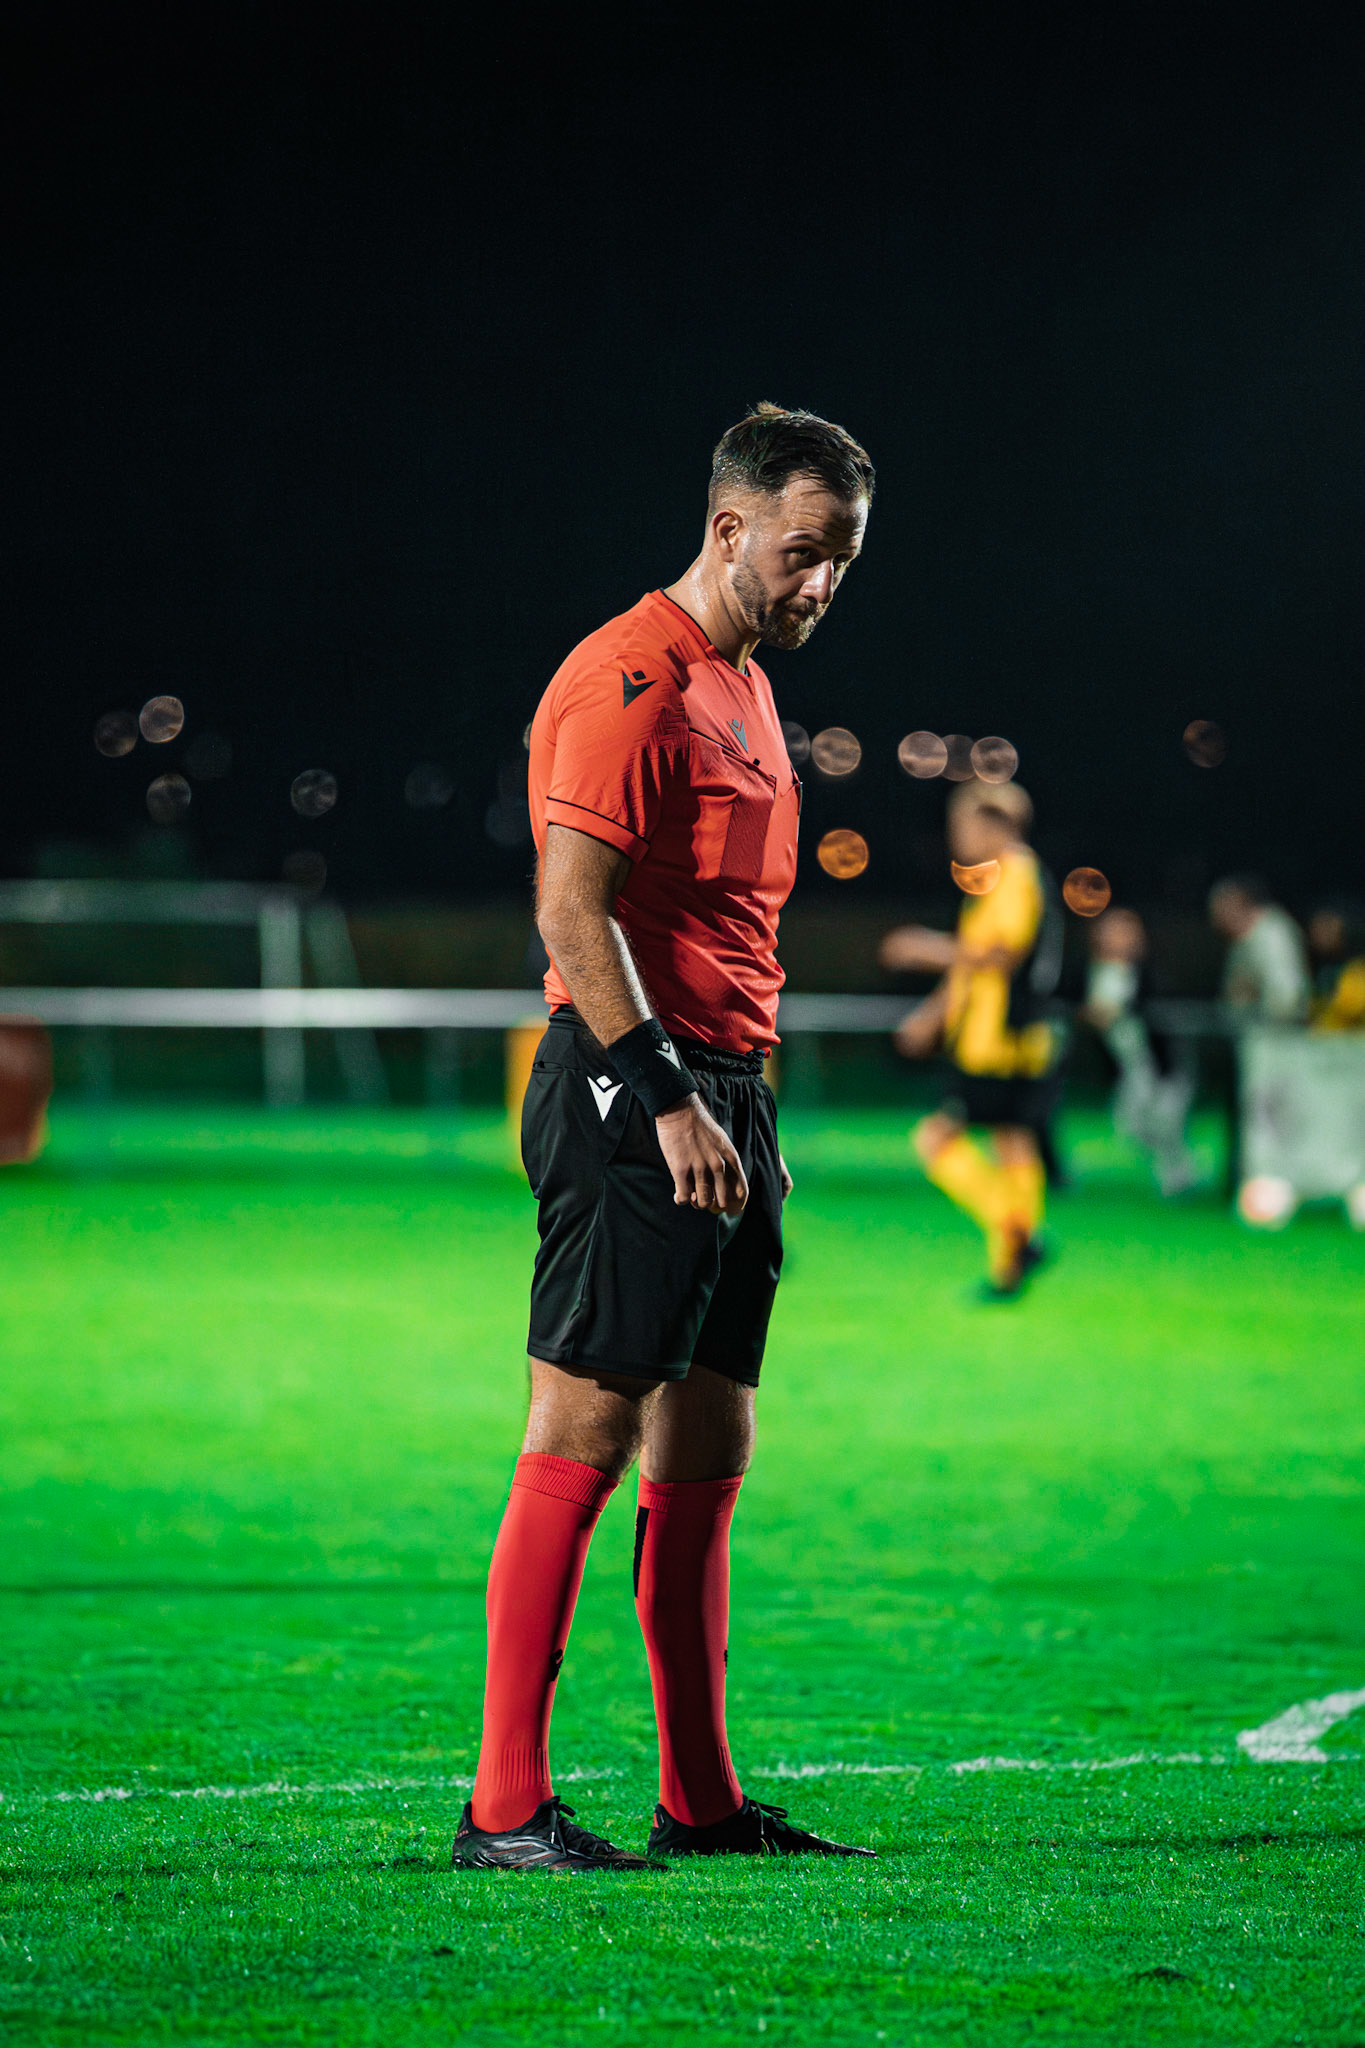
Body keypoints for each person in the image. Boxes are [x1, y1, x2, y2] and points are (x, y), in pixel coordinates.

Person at [452, 404, 877, 1873]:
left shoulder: (749, 689)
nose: (820, 581)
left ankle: (699, 1805)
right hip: (635, 1090)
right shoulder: (628, 678)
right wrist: (663, 1094)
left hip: (726, 1101)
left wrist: (739, 1109)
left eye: (843, 561)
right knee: (582, 1425)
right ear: (728, 527)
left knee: (708, 1441)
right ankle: (503, 1805)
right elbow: (570, 911)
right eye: (804, 551)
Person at [881, 780, 1063, 1299]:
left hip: (996, 1042)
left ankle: (1019, 1231)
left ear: (996, 826)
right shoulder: (1002, 880)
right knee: (1014, 1143)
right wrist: (932, 1016)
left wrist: (921, 948)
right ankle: (1010, 1267)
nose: (956, 837)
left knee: (935, 1140)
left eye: (961, 825)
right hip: (1013, 1039)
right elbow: (973, 964)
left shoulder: (1017, 875)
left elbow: (998, 956)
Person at [1081, 907, 1197, 1196]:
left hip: (1160, 1066)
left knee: (1166, 1123)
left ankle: (1179, 1179)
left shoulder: (1148, 972)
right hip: (1128, 1068)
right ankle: (1179, 1169)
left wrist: (1116, 1012)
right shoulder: (1091, 971)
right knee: (1130, 1125)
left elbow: (1157, 1011)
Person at [1208, 876, 1310, 1025]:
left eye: (1219, 910)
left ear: (1237, 902)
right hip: (1253, 1034)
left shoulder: (1274, 934)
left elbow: (1288, 999)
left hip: (1278, 1036)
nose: (1215, 921)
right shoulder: (1242, 940)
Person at [1307, 902, 1365, 1032]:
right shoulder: (1317, 966)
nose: (1320, 935)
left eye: (1327, 928)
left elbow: (1346, 1012)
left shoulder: (1357, 969)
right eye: (1317, 928)